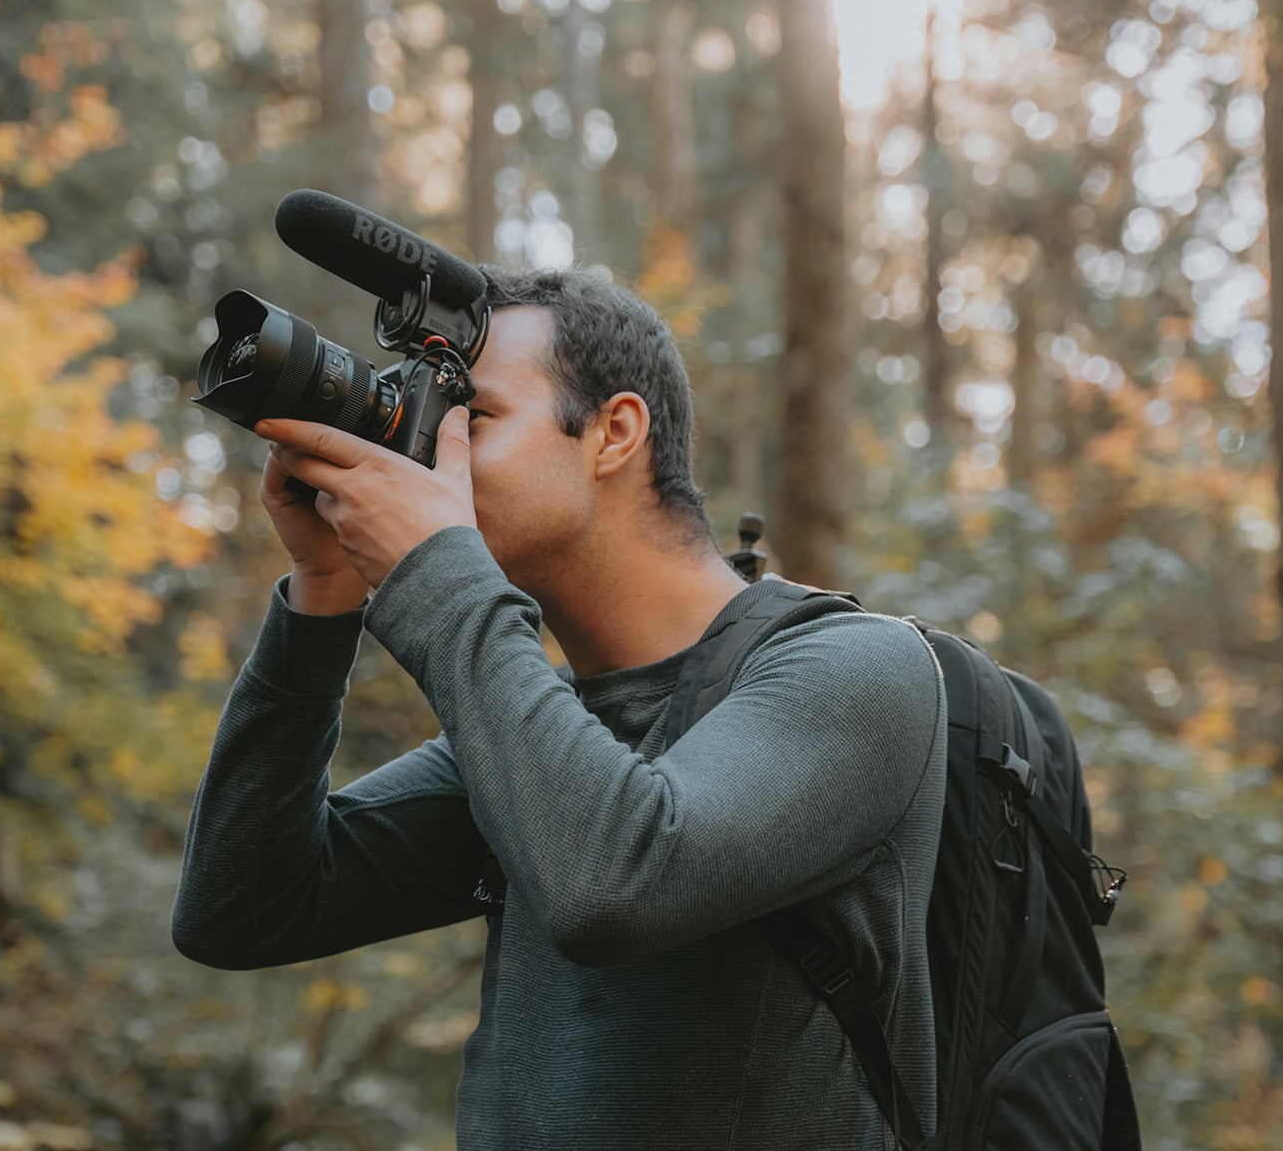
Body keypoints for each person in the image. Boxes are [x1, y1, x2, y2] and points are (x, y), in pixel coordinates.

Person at [172, 267, 947, 1150]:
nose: (433, 459)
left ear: (614, 433)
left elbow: (612, 887)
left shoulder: (856, 670)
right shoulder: (534, 733)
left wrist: (436, 566)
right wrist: (322, 593)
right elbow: (239, 909)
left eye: (475, 420)